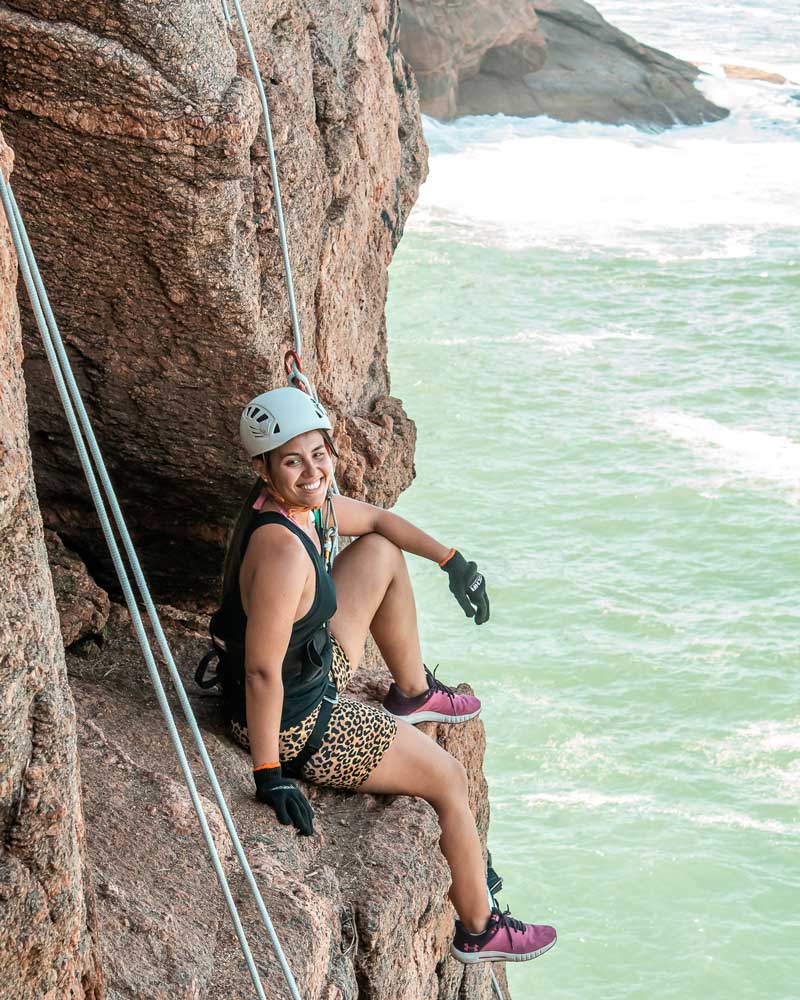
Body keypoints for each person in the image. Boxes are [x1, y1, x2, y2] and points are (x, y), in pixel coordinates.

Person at [209, 386, 557, 965]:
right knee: (446, 777)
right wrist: (268, 772)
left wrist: (452, 560)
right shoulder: (282, 552)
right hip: (297, 719)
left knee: (378, 552)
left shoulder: (299, 507)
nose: (312, 470)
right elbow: (262, 670)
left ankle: (413, 693)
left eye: (319, 454)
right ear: (263, 467)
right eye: (293, 461)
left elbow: (376, 519)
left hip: (311, 664)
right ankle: (479, 929)